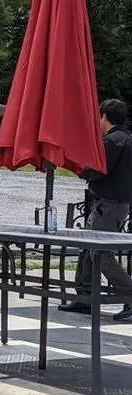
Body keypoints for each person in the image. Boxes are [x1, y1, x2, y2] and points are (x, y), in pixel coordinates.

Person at [59, 99, 132, 321]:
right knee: (88, 248)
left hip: (108, 203)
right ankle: (85, 297)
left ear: (104, 116)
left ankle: (129, 294)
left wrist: (78, 167)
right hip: (117, 203)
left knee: (100, 252)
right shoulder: (127, 139)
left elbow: (98, 170)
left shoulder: (111, 142)